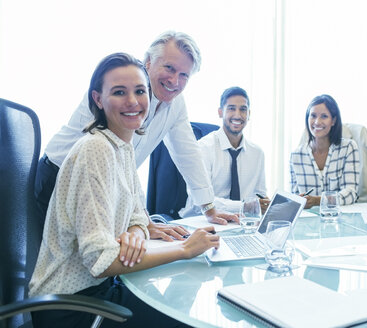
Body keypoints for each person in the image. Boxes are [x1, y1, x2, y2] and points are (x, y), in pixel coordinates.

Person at [29, 53, 219, 328]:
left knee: (180, 304)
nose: (133, 101)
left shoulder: (123, 146)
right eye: (119, 92)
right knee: (188, 321)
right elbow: (101, 259)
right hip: (73, 307)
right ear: (97, 99)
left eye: (140, 91)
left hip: (101, 291)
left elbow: (138, 216)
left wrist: (135, 233)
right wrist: (184, 248)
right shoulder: (95, 149)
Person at [34, 31, 238, 237]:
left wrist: (208, 207)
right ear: (148, 62)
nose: (175, 81)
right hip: (60, 178)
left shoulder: (175, 103)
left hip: (103, 187)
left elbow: (187, 153)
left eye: (184, 75)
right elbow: (118, 159)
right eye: (169, 68)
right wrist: (144, 221)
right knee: (77, 260)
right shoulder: (120, 92)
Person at [180, 87, 270, 217]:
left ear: (249, 114)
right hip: (202, 222)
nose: (238, 115)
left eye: (243, 109)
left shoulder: (257, 153)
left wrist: (266, 204)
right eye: (231, 108)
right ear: (220, 112)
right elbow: (199, 201)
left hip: (243, 222)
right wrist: (243, 206)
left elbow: (259, 194)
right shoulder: (203, 148)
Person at [289, 94, 360, 208]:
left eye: (324, 116)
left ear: (333, 121)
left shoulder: (348, 148)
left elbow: (351, 193)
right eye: (313, 116)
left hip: (340, 219)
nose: (317, 122)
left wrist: (318, 200)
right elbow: (294, 197)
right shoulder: (296, 156)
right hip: (308, 222)